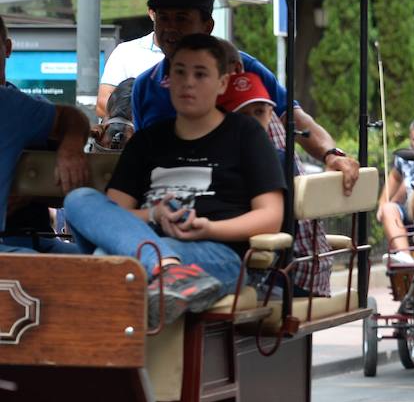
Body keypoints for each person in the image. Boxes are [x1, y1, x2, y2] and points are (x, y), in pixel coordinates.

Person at [62, 33, 286, 327]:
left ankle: (162, 274)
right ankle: (166, 269)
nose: (188, 82)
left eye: (200, 73)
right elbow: (115, 214)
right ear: (167, 81)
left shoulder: (246, 135)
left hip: (215, 251)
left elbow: (271, 216)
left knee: (109, 259)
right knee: (79, 199)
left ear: (221, 83)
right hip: (151, 243)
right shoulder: (147, 141)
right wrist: (154, 214)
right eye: (179, 72)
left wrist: (210, 228)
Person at [130, 0, 361, 194]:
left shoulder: (243, 66)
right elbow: (141, 159)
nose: (170, 27)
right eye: (163, 18)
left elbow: (293, 117)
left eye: (181, 19)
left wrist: (332, 154)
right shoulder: (143, 86)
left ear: (207, 26)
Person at [217, 70, 333, 298]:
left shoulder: (275, 160)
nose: (252, 122)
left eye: (259, 112)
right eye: (243, 114)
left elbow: (279, 230)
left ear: (270, 115)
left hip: (273, 273)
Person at [0, 16, 90, 253]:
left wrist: (70, 149)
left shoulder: (16, 106)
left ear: (6, 48)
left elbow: (72, 118)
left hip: (28, 237)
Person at [97, 0, 171, 117]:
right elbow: (103, 103)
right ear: (151, 13)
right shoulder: (126, 52)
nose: (170, 23)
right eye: (163, 14)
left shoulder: (204, 55)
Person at [376, 118, 414, 265]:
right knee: (388, 208)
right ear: (410, 139)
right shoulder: (403, 157)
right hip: (410, 208)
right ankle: (405, 255)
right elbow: (394, 178)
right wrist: (382, 203)